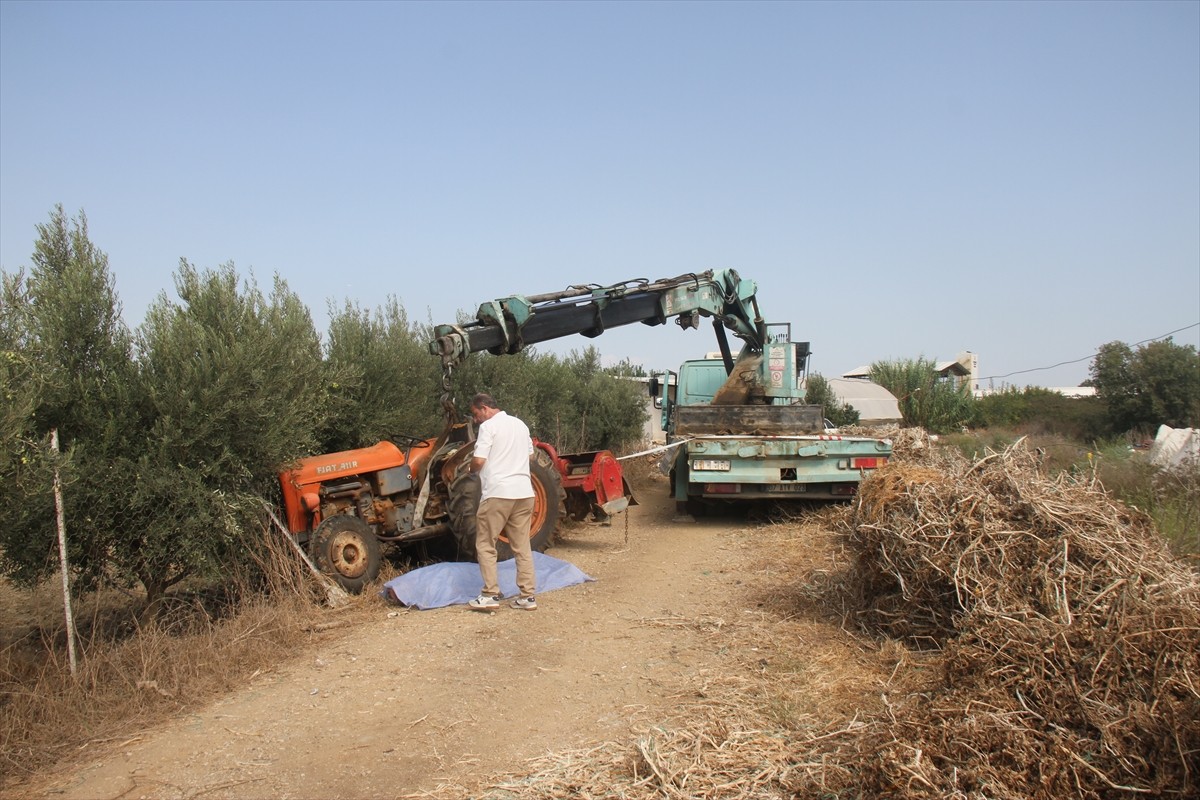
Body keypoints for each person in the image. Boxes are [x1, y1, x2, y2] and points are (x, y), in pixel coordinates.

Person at [466, 393, 538, 611]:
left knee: (486, 544)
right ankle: (527, 597)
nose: (476, 419)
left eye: (476, 414)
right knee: (522, 546)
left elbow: (479, 460)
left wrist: (470, 469)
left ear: (485, 408)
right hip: (524, 493)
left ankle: (490, 595)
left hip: (498, 493)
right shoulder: (520, 425)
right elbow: (531, 457)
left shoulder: (488, 427)